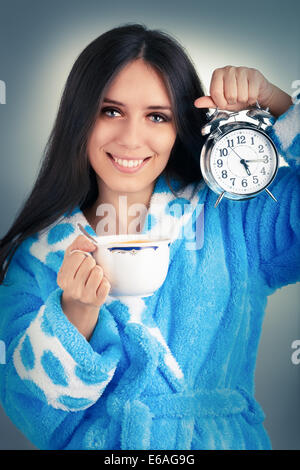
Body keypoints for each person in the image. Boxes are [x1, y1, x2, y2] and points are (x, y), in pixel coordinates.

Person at [0, 23, 299, 451]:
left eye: (157, 116)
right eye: (111, 111)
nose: (130, 138)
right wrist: (74, 314)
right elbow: (31, 412)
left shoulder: (232, 214)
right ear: (80, 118)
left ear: (182, 125)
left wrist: (281, 106)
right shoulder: (38, 257)